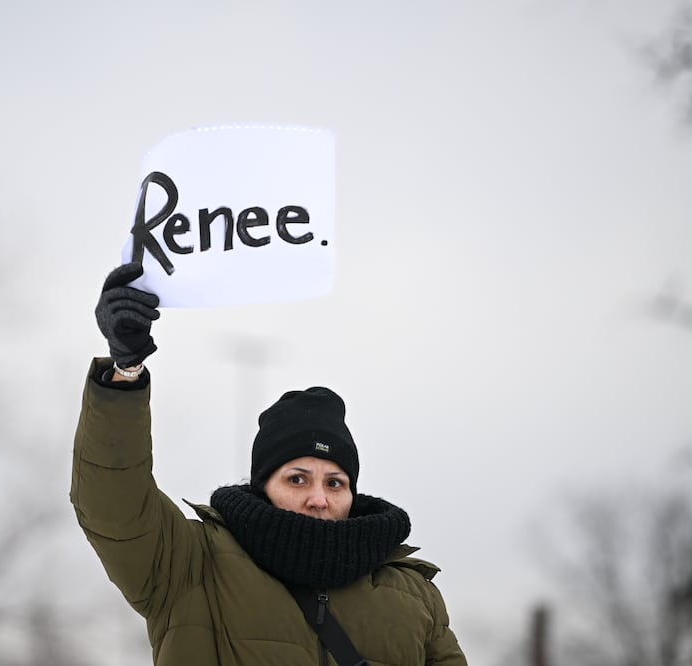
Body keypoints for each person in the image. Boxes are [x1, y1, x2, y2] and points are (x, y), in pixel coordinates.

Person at [71, 263, 467, 666]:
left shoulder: (416, 596)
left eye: (335, 482)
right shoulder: (191, 565)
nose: (318, 498)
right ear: (263, 486)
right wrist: (126, 371)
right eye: (297, 479)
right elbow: (114, 506)